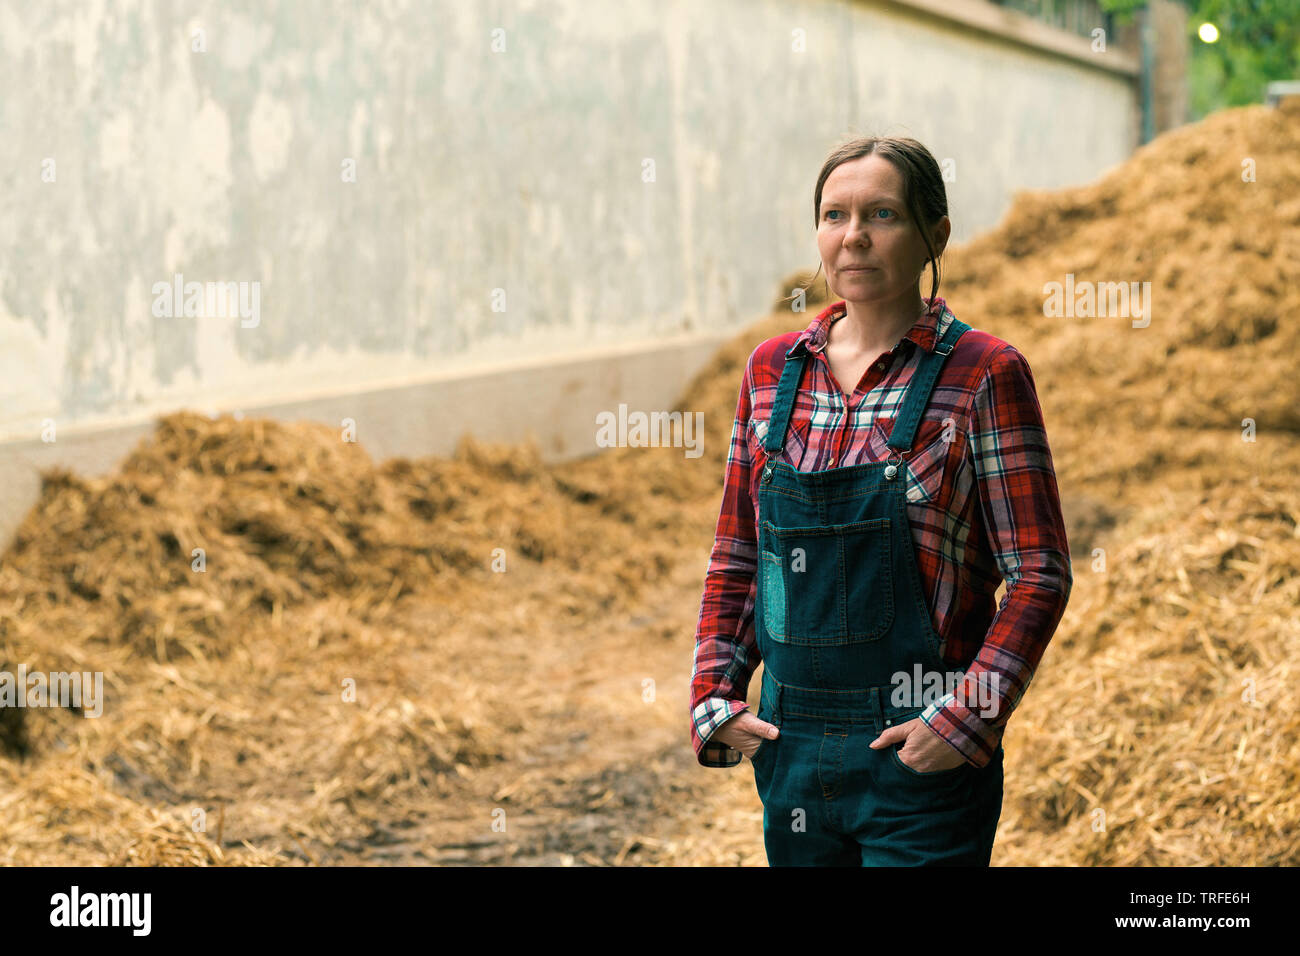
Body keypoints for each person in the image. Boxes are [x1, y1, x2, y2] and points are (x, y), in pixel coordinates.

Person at [689, 136, 1073, 866]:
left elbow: (1039, 575)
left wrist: (966, 720)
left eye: (884, 214)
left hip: (918, 752)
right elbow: (739, 552)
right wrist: (715, 694)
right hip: (791, 748)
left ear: (936, 233)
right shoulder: (771, 372)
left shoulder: (985, 373)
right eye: (835, 214)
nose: (854, 236)